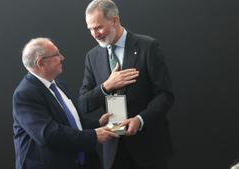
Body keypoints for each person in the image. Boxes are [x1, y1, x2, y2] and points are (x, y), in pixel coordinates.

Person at [79, 0, 175, 169]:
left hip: (148, 147)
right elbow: (83, 104)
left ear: (115, 20)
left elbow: (165, 94)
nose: (95, 34)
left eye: (99, 27)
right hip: (113, 148)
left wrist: (140, 119)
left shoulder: (148, 46)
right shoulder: (92, 56)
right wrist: (106, 87)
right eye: (90, 29)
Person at [12, 37, 119, 169]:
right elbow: (48, 134)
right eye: (56, 54)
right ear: (41, 63)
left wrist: (97, 124)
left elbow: (71, 122)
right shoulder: (25, 94)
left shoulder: (59, 85)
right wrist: (93, 136)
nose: (62, 57)